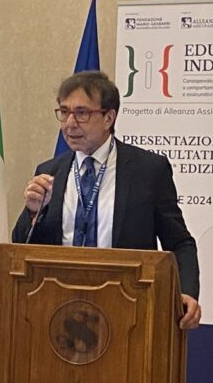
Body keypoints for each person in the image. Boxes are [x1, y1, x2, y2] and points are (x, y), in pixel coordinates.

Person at [12, 71, 202, 329]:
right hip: (57, 310)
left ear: (109, 118)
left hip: (128, 310)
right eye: (64, 112)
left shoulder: (147, 170)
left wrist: (186, 291)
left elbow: (179, 242)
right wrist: (33, 213)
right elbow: (21, 248)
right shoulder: (49, 172)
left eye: (82, 113)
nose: (70, 123)